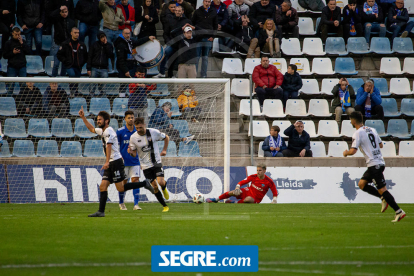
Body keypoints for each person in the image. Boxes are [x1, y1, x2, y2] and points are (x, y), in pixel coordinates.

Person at [78, 108, 154, 217]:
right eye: (97, 120)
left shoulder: (109, 131)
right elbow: (91, 129)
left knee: (121, 188)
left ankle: (144, 183)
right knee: (103, 186)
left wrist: (107, 162)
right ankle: (101, 212)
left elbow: (109, 146)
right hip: (111, 162)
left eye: (100, 120)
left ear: (107, 121)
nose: (98, 121)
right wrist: (83, 117)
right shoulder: (103, 131)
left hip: (115, 162)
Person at [343, 111, 406, 223]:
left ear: (353, 120)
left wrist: (346, 153)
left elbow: (353, 151)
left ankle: (398, 211)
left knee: (383, 190)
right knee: (362, 184)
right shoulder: (372, 129)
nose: (350, 122)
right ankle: (382, 198)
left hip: (374, 164)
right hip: (379, 162)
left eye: (350, 120)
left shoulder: (357, 133)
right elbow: (381, 145)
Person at [128, 117, 170, 212]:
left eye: (140, 128)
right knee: (154, 187)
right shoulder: (133, 137)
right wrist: (130, 152)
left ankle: (164, 188)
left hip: (156, 162)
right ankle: (165, 206)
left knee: (161, 182)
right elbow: (134, 154)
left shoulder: (153, 132)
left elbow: (166, 137)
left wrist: (164, 150)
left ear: (144, 125)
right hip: (145, 166)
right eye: (137, 128)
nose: (139, 130)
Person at [206, 164, 278, 203]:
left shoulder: (269, 181)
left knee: (248, 199)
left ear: (265, 171)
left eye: (260, 170)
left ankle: (234, 203)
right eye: (257, 170)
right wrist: (237, 187)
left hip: (255, 199)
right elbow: (241, 182)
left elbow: (274, 192)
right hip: (247, 192)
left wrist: (274, 200)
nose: (258, 172)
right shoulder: (253, 176)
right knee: (232, 192)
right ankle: (216, 199)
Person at [114, 28, 155, 94]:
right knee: (123, 84)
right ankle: (121, 98)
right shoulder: (120, 44)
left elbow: (138, 42)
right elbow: (120, 59)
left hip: (132, 65)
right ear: (122, 34)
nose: (128, 35)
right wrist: (125, 70)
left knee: (135, 83)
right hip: (123, 68)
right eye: (126, 33)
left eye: (129, 33)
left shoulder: (130, 41)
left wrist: (148, 38)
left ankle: (135, 96)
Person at [156, 5, 192, 78]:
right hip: (172, 43)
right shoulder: (170, 20)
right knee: (164, 52)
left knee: (177, 58)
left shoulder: (187, 21)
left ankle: (172, 74)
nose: (177, 12)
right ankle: (162, 72)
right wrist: (168, 42)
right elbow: (165, 33)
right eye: (176, 11)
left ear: (183, 11)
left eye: (179, 11)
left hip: (182, 44)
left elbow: (190, 33)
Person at [117, 111, 143, 211]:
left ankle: (136, 204)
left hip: (135, 161)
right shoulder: (120, 132)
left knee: (135, 181)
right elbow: (116, 146)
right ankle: (121, 203)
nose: (131, 119)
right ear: (125, 119)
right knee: (124, 183)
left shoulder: (138, 132)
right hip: (123, 162)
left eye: (132, 117)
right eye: (129, 118)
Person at [57, 27, 88, 97]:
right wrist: (65, 61)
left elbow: (86, 56)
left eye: (78, 33)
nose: (77, 34)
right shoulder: (65, 44)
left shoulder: (82, 45)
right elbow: (59, 55)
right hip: (69, 66)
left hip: (78, 66)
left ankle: (75, 92)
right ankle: (72, 92)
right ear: (71, 33)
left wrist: (81, 63)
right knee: (72, 75)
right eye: (75, 33)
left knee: (77, 80)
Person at [192, 0, 218, 78]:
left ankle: (204, 75)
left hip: (208, 38)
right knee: (196, 58)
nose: (207, 3)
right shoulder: (197, 12)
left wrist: (213, 37)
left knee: (205, 58)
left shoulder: (213, 12)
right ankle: (194, 75)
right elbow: (192, 23)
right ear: (203, 2)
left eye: (209, 2)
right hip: (198, 38)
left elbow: (215, 26)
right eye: (206, 1)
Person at [2, 27, 30, 96]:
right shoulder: (8, 43)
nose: (18, 36)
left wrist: (22, 44)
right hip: (12, 67)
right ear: (12, 34)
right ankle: (8, 103)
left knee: (23, 87)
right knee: (10, 86)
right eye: (16, 34)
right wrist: (13, 52)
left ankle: (23, 103)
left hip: (22, 67)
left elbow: (28, 51)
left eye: (19, 34)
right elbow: (5, 56)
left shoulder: (23, 42)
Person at [50, 5, 76, 77]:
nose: (64, 13)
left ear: (68, 12)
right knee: (56, 64)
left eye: (66, 12)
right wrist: (59, 9)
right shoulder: (56, 20)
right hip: (57, 44)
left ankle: (62, 80)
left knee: (64, 65)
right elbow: (51, 15)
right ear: (60, 13)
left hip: (67, 45)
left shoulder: (71, 22)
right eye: (62, 12)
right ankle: (53, 80)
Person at [87, 31, 114, 95]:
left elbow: (110, 55)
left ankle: (103, 99)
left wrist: (106, 45)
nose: (103, 38)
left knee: (103, 86)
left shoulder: (109, 45)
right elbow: (89, 56)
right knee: (92, 85)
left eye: (104, 36)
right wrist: (88, 68)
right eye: (101, 37)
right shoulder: (94, 45)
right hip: (94, 67)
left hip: (104, 68)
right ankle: (91, 98)